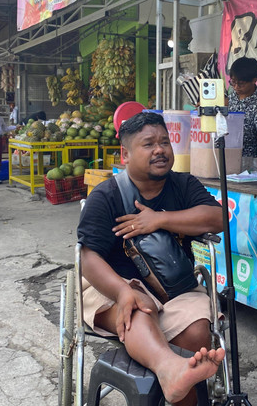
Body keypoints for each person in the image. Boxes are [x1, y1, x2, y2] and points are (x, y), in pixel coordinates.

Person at [77, 112, 225, 405]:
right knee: (138, 308)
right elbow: (88, 257)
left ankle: (178, 383)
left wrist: (160, 219)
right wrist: (122, 292)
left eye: (165, 142)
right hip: (112, 284)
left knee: (196, 332)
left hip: (175, 287)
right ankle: (169, 369)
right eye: (149, 144)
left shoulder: (183, 185)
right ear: (125, 154)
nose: (160, 149)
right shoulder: (105, 196)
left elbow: (217, 218)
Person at [227, 57, 257, 172]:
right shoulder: (234, 94)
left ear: (254, 80)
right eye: (233, 82)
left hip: (248, 161)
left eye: (241, 84)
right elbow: (227, 102)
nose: (236, 87)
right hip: (229, 155)